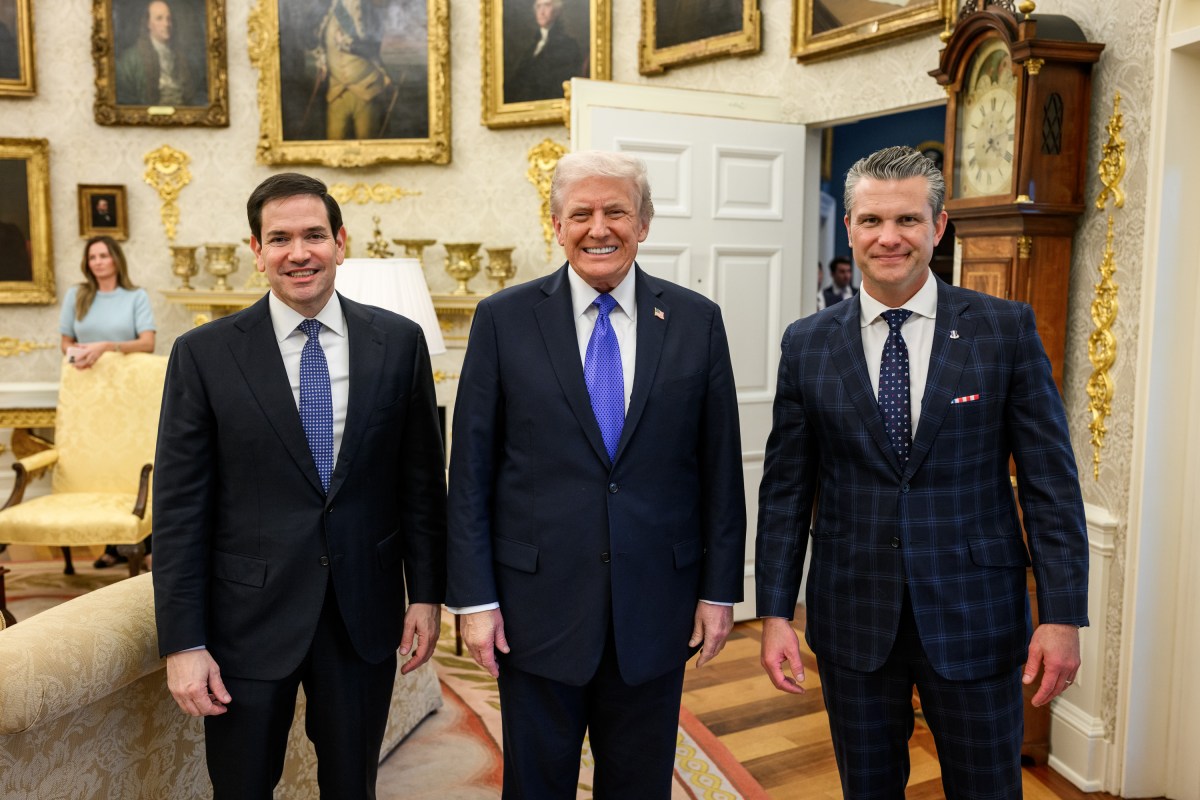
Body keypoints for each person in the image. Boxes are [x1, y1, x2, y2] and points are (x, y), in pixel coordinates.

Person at [756, 145, 1088, 799]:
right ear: (848, 228)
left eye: (907, 220)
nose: (888, 237)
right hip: (853, 614)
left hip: (977, 612)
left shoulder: (1004, 331)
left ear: (938, 228)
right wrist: (772, 612)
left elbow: (1052, 481)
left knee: (988, 788)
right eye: (871, 221)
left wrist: (1063, 614)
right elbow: (786, 489)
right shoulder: (806, 343)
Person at [447, 150, 746, 797]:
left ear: (644, 223)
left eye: (616, 210)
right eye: (580, 213)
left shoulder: (696, 321)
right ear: (556, 226)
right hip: (535, 609)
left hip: (657, 608)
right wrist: (476, 601)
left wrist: (720, 591)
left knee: (639, 785)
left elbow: (720, 470)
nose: (598, 227)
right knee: (536, 784)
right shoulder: (504, 319)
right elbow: (469, 471)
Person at [151, 173, 447, 798]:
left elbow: (420, 484)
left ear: (340, 241)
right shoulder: (203, 355)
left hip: (361, 616)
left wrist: (425, 594)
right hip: (245, 624)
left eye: (314, 235)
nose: (299, 252)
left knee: (353, 786)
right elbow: (179, 511)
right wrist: (184, 642)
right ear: (255, 251)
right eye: (279, 238)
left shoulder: (398, 343)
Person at [60, 235, 158, 569]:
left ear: (115, 259)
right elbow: (66, 341)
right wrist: (79, 356)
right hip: (88, 389)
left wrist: (105, 346)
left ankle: (143, 542)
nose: (98, 262)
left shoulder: (135, 296)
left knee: (128, 460)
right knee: (98, 461)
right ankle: (111, 546)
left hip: (129, 390)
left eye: (103, 255)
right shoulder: (78, 295)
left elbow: (147, 343)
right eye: (92, 257)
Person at [314, 0, 393, 140]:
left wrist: (345, 43)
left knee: (367, 144)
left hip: (366, 90)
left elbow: (372, 47)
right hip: (336, 92)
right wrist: (323, 62)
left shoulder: (367, 9)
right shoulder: (331, 9)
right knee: (334, 147)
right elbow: (320, 42)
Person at [116, 0, 205, 106]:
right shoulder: (130, 59)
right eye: (159, 18)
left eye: (169, 19)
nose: (166, 24)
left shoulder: (181, 57)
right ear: (148, 24)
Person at [504, 0, 582, 104]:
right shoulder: (532, 47)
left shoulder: (568, 45)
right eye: (538, 6)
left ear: (557, 10)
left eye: (547, 5)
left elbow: (559, 86)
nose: (541, 12)